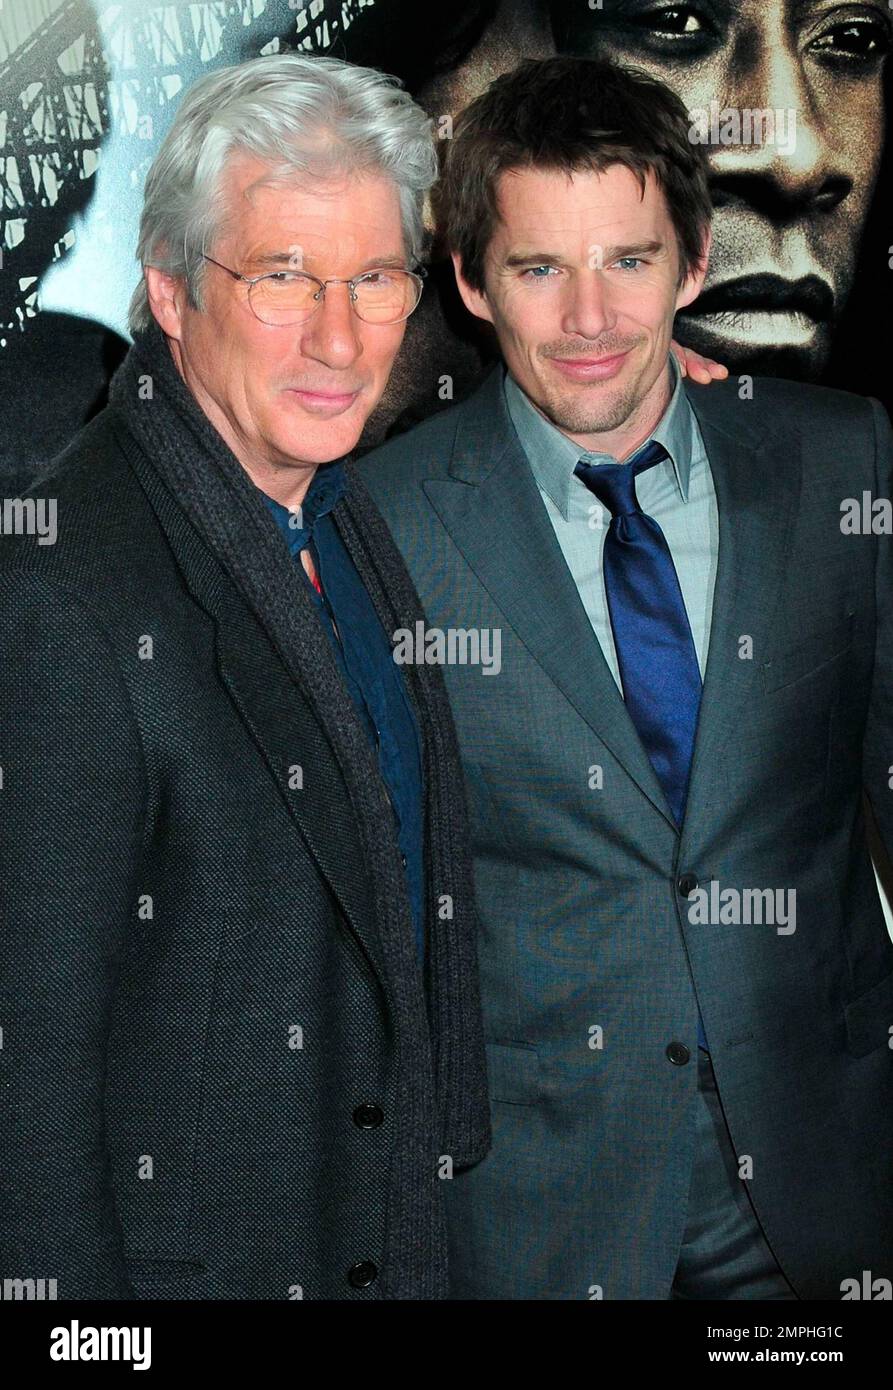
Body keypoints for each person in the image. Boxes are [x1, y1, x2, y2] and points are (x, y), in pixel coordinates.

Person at [358, 55, 893, 1299]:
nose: (589, 320)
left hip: (827, 1184)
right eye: (539, 267)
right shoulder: (378, 527)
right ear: (471, 282)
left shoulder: (837, 463)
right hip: (542, 1219)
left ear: (692, 266)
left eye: (629, 262)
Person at [0, 52, 490, 1301]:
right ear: (169, 293)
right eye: (281, 279)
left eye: (375, 277)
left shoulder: (339, 515)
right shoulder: (68, 592)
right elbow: (26, 1082)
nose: (340, 337)